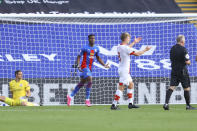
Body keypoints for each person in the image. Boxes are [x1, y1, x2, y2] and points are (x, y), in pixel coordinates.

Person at [111, 32, 151, 110]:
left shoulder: (120, 46)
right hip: (124, 71)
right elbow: (138, 54)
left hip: (123, 69)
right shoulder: (126, 48)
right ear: (125, 38)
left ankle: (130, 103)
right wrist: (146, 49)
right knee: (121, 87)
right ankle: (114, 105)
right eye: (129, 38)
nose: (129, 39)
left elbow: (127, 48)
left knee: (131, 84)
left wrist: (134, 42)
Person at [67, 34, 109, 107]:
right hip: (84, 66)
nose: (93, 39)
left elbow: (98, 58)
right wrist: (78, 65)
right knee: (90, 79)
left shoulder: (96, 48)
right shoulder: (85, 48)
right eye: (91, 38)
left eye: (94, 38)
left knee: (82, 83)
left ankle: (70, 96)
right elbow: (79, 57)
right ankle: (87, 100)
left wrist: (104, 65)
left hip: (90, 67)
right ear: (88, 39)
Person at [163, 35, 196, 110]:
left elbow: (171, 59)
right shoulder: (184, 49)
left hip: (174, 70)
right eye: (184, 40)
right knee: (186, 88)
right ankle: (188, 106)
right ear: (182, 41)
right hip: (182, 71)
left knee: (171, 87)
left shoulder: (172, 48)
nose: (185, 41)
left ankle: (166, 103)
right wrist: (190, 62)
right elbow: (187, 62)